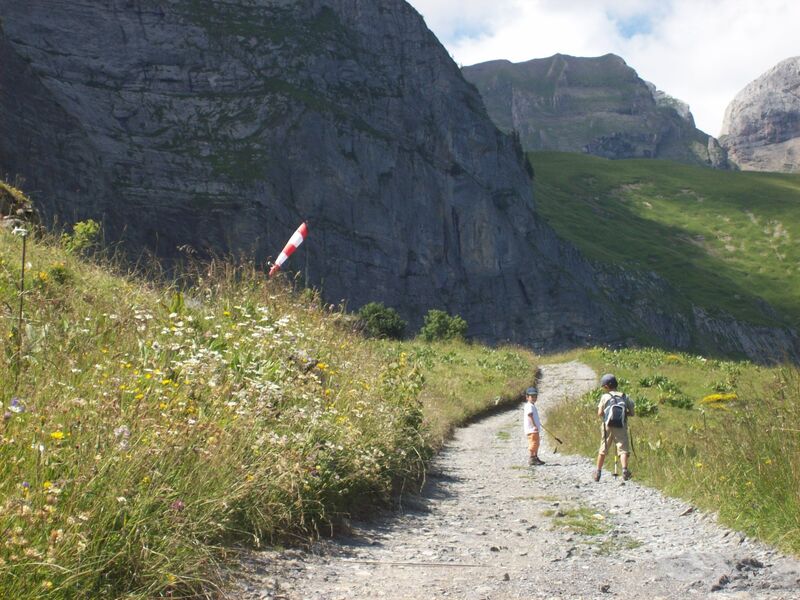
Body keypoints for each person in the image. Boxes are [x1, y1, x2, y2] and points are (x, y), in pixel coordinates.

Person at [594, 373, 635, 481]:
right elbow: (632, 413)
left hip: (607, 425)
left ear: (606, 386)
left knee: (603, 448)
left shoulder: (605, 397)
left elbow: (599, 413)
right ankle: (625, 470)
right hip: (621, 425)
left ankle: (598, 473)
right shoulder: (625, 396)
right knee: (623, 448)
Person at [523, 386, 545, 466]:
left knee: (537, 443)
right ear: (527, 397)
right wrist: (534, 425)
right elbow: (530, 415)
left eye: (535, 396)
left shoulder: (532, 405)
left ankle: (535, 457)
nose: (534, 398)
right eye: (532, 396)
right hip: (532, 429)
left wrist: (538, 423)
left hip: (534, 429)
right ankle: (531, 457)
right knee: (534, 443)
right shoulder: (529, 406)